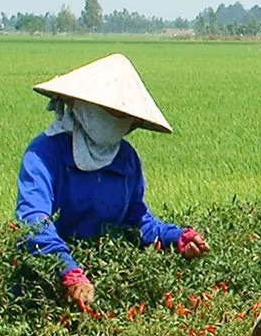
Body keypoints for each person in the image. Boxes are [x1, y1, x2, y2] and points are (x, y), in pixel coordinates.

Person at [16, 53, 205, 311]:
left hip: (105, 275)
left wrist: (176, 237)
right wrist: (67, 270)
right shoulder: (44, 153)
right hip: (46, 281)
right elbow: (33, 221)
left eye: (123, 114)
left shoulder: (125, 158)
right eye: (111, 110)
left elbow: (137, 222)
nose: (118, 120)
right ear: (82, 105)